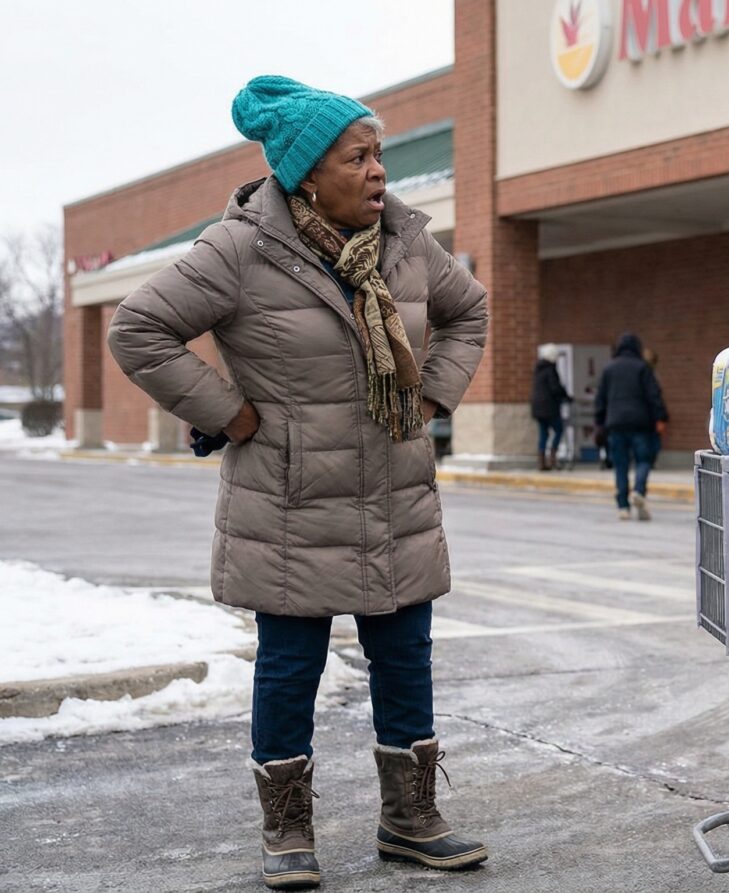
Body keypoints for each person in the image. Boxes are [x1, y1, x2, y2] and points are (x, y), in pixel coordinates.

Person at [107, 76, 489, 889]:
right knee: (289, 668)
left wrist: (429, 395)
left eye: (380, 153)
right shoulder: (241, 247)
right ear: (307, 172)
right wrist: (232, 413)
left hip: (394, 493)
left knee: (406, 657)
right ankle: (288, 831)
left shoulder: (406, 243)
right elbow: (138, 327)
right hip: (289, 500)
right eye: (360, 156)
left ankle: (411, 819)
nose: (380, 171)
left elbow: (471, 312)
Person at [594, 332, 668, 521]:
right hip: (640, 424)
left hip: (615, 424)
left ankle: (623, 506)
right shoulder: (642, 368)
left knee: (620, 465)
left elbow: (600, 399)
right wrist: (660, 417)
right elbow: (654, 395)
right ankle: (639, 491)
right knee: (644, 460)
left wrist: (599, 423)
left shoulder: (609, 369)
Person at [530, 343, 571, 471]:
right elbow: (555, 388)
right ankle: (553, 458)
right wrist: (566, 396)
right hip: (549, 407)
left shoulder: (538, 369)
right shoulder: (551, 369)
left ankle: (542, 461)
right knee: (558, 429)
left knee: (543, 433)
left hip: (537, 407)